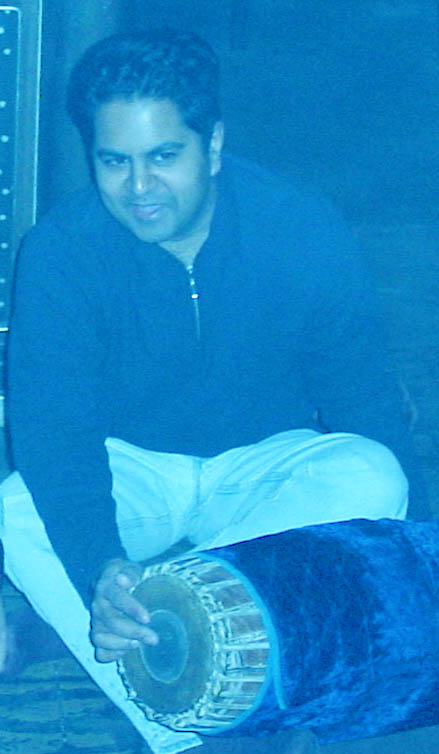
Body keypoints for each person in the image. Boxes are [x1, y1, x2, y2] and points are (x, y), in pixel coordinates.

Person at [0, 27, 426, 754]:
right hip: (136, 468)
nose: (139, 187)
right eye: (115, 161)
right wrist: (100, 565)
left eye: (164, 156)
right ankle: (184, 730)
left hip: (263, 471)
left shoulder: (300, 228)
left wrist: (420, 556)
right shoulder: (61, 254)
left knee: (372, 473)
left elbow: (364, 398)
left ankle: (158, 622)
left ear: (214, 146)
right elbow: (55, 436)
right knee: (17, 512)